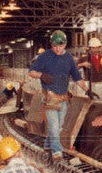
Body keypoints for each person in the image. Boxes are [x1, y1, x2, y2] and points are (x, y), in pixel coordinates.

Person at [28, 30, 97, 160]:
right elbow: (31, 72)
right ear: (51, 44)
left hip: (63, 97)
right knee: (54, 126)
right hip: (50, 98)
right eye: (54, 46)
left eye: (60, 46)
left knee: (58, 127)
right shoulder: (44, 56)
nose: (57, 49)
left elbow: (77, 78)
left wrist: (87, 90)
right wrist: (41, 75)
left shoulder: (69, 59)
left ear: (64, 44)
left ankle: (48, 144)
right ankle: (57, 152)